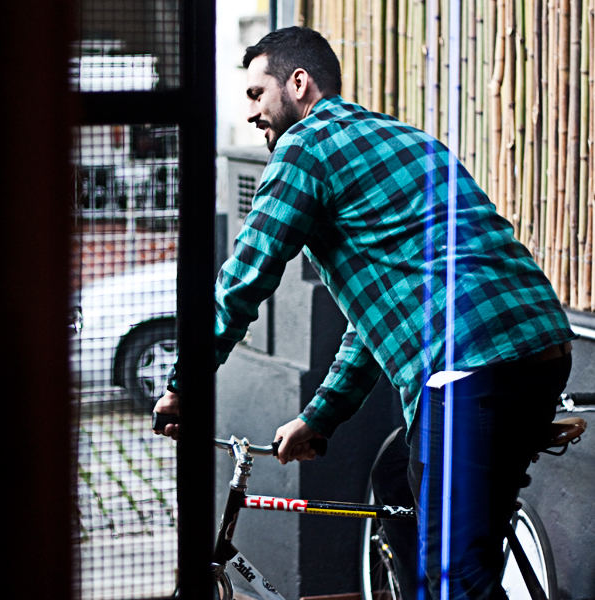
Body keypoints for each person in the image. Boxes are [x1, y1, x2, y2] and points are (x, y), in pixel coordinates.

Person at [153, 26, 576, 600]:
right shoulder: (409, 139)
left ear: (298, 84)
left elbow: (243, 281)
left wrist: (184, 385)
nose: (252, 115)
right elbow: (375, 322)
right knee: (394, 475)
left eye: (257, 94)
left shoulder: (308, 146)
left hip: (467, 363)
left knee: (459, 581)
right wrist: (320, 419)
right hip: (542, 349)